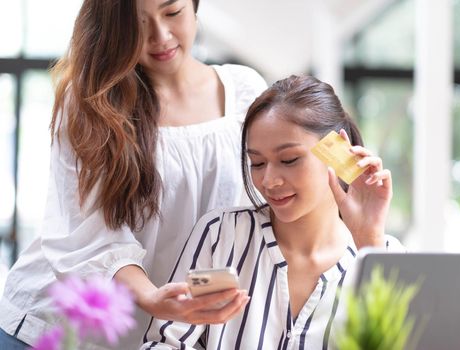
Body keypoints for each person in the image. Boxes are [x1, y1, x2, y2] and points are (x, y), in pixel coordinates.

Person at [0, 0, 267, 349]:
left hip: (164, 336)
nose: (161, 36)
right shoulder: (91, 101)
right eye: (138, 23)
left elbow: (253, 218)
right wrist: (152, 296)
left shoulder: (245, 93)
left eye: (173, 13)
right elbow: (87, 235)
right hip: (59, 328)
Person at [141, 75, 405, 350]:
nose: (269, 181)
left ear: (337, 152)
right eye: (257, 163)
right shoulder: (224, 239)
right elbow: (168, 341)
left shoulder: (384, 256)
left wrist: (368, 239)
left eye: (289, 160)